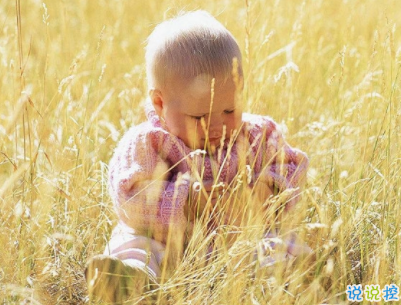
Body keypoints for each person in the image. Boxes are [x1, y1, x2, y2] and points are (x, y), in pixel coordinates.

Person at [85, 10, 310, 303]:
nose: (217, 126)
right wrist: (187, 203)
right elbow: (130, 197)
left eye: (230, 110)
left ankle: (289, 277)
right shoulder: (149, 143)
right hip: (169, 246)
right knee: (135, 244)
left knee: (276, 243)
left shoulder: (257, 134)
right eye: (199, 116)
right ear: (160, 102)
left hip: (239, 242)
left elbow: (292, 168)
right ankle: (134, 281)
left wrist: (265, 192)